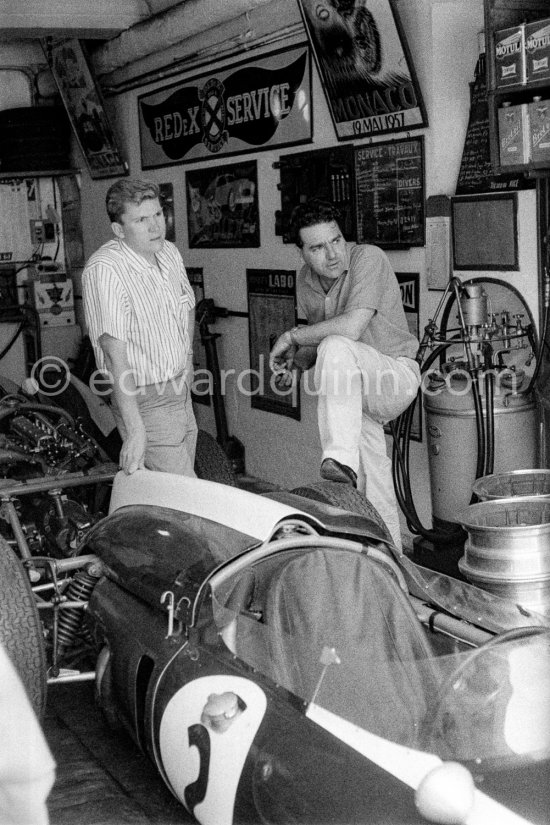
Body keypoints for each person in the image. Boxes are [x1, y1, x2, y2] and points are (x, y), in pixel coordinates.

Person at [269, 199, 420, 547]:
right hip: (352, 389)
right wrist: (295, 364)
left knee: (337, 345)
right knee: (376, 478)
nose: (333, 254)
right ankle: (391, 559)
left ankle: (339, 459)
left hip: (393, 376)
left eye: (336, 240)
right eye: (318, 247)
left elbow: (349, 328)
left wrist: (292, 335)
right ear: (302, 253)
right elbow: (318, 337)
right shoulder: (305, 280)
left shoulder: (368, 257)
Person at [82, 178, 197, 476]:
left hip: (179, 389)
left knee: (172, 494)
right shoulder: (105, 269)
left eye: (158, 214)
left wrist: (187, 363)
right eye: (141, 219)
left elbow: (187, 307)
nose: (155, 226)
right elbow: (114, 354)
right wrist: (135, 431)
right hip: (144, 399)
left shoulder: (169, 252)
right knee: (185, 498)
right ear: (119, 230)